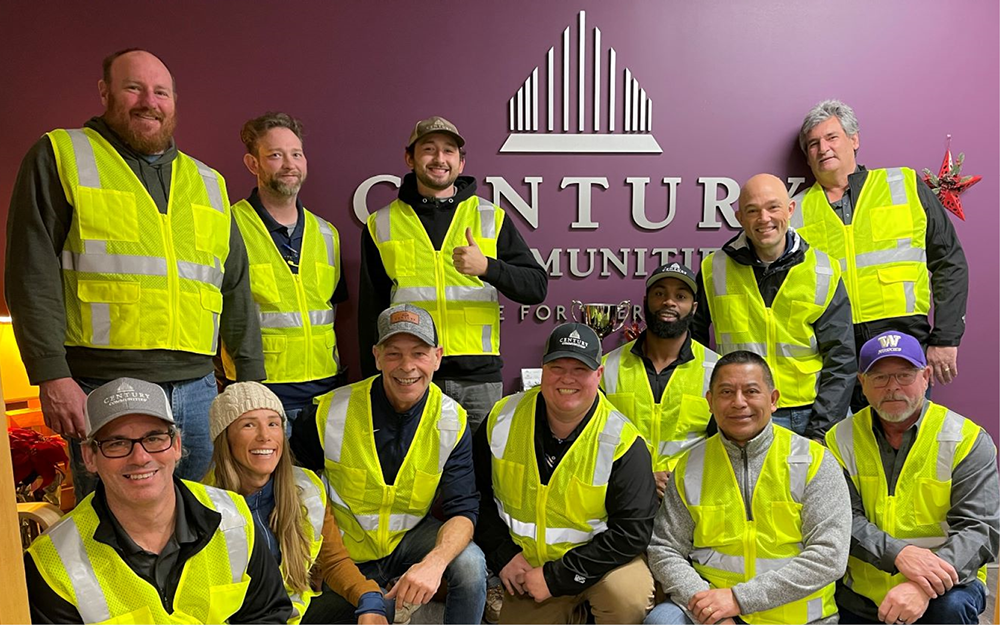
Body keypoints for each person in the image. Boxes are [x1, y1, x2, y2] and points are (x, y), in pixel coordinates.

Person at [4, 49, 264, 499]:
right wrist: (51, 374)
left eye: (160, 91)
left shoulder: (208, 182)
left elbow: (235, 286)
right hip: (102, 383)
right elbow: (32, 271)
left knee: (194, 515)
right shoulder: (62, 155)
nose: (149, 101)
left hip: (198, 387)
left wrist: (251, 379)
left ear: (174, 102)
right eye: (133, 88)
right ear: (105, 92)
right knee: (112, 523)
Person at [24, 377, 290, 623]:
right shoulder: (52, 562)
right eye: (116, 443)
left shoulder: (233, 518)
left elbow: (268, 613)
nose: (140, 458)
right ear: (90, 456)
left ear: (175, 445)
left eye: (154, 438)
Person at [291, 303, 487, 624]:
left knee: (470, 566)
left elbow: (463, 510)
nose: (407, 366)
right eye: (394, 353)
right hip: (343, 554)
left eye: (419, 353)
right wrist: (314, 557)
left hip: (410, 542)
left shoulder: (452, 420)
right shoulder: (329, 412)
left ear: (437, 357)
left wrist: (434, 563)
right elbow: (295, 490)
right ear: (377, 356)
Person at [359, 115, 548, 429]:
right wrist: (373, 381)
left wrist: (488, 267)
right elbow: (371, 312)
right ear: (410, 158)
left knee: (478, 474)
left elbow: (536, 287)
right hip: (410, 375)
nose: (439, 159)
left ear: (461, 163)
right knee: (414, 474)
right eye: (429, 149)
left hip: (477, 381)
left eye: (448, 151)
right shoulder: (381, 223)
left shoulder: (490, 216)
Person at [646, 351, 851, 625]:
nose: (738, 402)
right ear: (710, 402)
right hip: (713, 613)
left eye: (751, 391)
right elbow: (664, 549)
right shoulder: (690, 466)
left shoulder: (814, 461)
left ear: (774, 399)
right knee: (662, 621)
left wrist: (738, 599)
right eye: (726, 392)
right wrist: (709, 609)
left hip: (800, 619)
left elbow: (830, 556)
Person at [475, 322, 658, 624]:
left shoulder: (623, 440)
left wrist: (557, 577)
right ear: (542, 370)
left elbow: (632, 533)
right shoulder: (501, 418)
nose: (567, 379)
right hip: (529, 570)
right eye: (557, 367)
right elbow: (476, 495)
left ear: (598, 375)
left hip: (602, 567)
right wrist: (504, 556)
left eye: (580, 370)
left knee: (627, 597)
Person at [793, 100, 968, 407]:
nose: (823, 149)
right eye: (813, 144)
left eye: (832, 137)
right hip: (829, 355)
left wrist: (946, 338)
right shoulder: (795, 211)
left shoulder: (903, 184)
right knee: (839, 450)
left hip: (901, 345)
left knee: (904, 444)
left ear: (854, 139)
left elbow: (949, 262)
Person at [826, 331, 999, 625]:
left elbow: (979, 528)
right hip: (862, 594)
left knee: (952, 607)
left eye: (905, 375)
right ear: (862, 383)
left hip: (946, 587)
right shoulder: (838, 439)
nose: (893, 388)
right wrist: (898, 554)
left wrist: (923, 585)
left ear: (926, 376)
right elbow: (841, 519)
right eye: (879, 377)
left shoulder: (966, 439)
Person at [206, 382, 388, 624]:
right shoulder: (202, 504)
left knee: (378, 606)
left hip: (294, 614)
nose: (265, 436)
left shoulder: (307, 487)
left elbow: (333, 561)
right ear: (225, 437)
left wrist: (369, 598)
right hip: (241, 619)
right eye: (249, 425)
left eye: (273, 424)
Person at [692, 173, 856, 440]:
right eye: (752, 210)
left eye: (773, 207)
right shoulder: (713, 268)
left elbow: (841, 359)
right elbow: (693, 351)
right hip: (739, 413)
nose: (764, 218)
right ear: (740, 218)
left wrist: (821, 430)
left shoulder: (824, 269)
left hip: (807, 415)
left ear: (790, 209)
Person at [221, 112, 346, 422]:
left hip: (325, 392)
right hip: (262, 391)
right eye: (276, 155)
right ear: (253, 164)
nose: (290, 164)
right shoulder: (229, 226)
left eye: (296, 154)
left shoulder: (327, 233)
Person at [602, 262, 718, 498]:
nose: (669, 302)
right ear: (646, 301)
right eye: (659, 293)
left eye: (680, 296)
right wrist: (641, 478)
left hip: (692, 500)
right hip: (623, 498)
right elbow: (592, 444)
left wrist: (680, 479)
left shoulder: (717, 370)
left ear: (694, 308)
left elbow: (725, 447)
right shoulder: (606, 368)